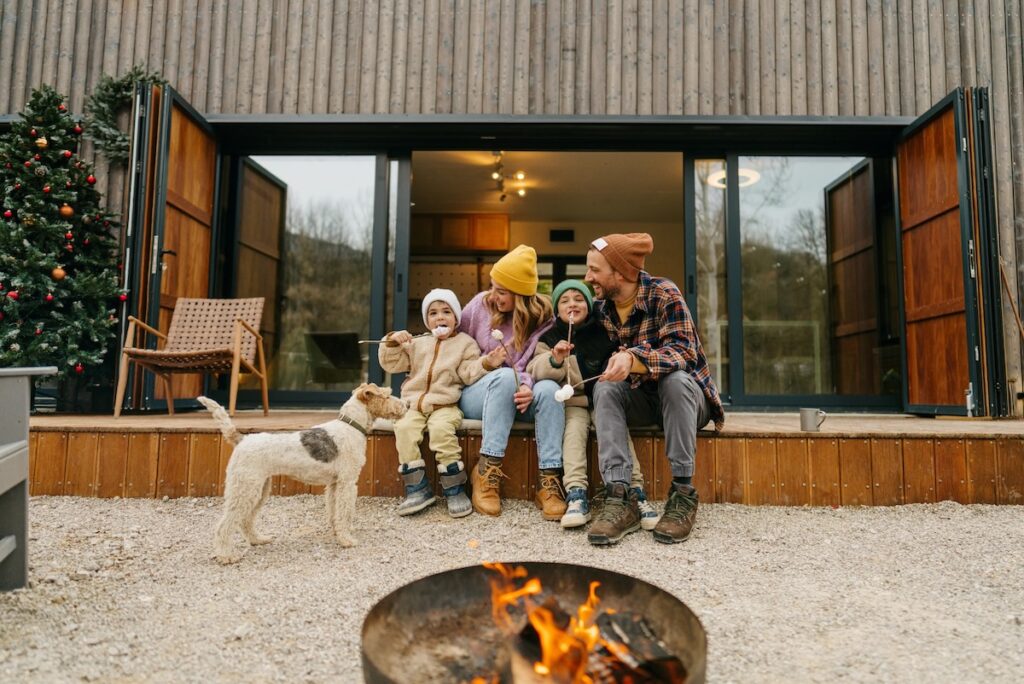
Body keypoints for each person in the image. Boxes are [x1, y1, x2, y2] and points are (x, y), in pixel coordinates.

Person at [584, 233, 725, 546]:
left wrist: (634, 358)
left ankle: (683, 492)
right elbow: (564, 320)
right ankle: (621, 497)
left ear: (619, 272)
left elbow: (685, 352)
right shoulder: (602, 308)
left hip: (687, 401)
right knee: (605, 389)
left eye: (594, 269)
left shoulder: (664, 293)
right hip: (643, 400)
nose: (587, 277)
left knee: (675, 380)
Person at [527, 279, 659, 530]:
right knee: (573, 434)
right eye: (565, 301)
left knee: (615, 430)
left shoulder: (604, 331)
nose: (572, 304)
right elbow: (535, 369)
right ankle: (576, 493)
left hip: (603, 400)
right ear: (557, 309)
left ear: (589, 305)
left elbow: (621, 359)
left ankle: (635, 490)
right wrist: (555, 359)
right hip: (574, 402)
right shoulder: (550, 337)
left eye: (579, 299)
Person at [457, 244, 566, 519]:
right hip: (478, 390)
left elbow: (529, 362)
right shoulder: (480, 305)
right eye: (493, 287)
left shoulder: (542, 318)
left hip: (517, 392)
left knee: (550, 390)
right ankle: (487, 470)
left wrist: (528, 386)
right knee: (504, 376)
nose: (493, 296)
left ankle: (549, 481)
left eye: (502, 291)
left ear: (521, 294)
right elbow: (450, 338)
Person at [378, 288, 502, 518]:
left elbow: (468, 373)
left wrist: (487, 363)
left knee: (441, 432)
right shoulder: (417, 342)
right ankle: (417, 489)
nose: (440, 317)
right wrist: (391, 342)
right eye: (433, 313)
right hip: (413, 404)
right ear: (427, 320)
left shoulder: (466, 344)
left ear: (456, 317)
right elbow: (391, 364)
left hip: (445, 405)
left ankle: (454, 489)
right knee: (404, 429)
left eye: (446, 312)